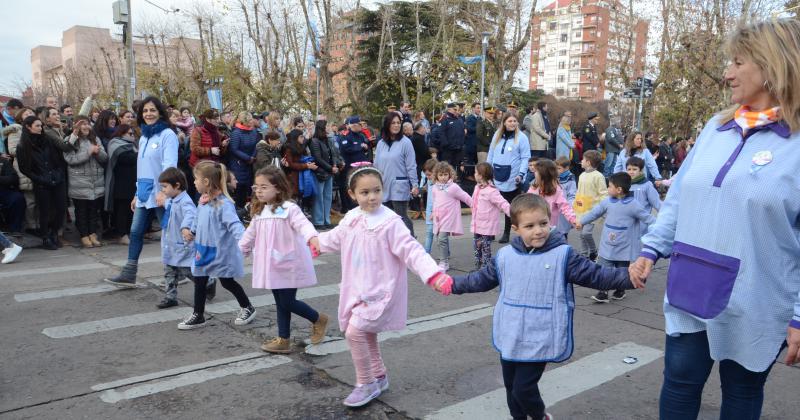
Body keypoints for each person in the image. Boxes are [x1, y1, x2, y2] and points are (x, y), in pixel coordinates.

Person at [627, 19, 800, 419]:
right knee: (679, 383)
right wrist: (651, 249)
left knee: (741, 395)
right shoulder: (716, 127)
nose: (727, 73)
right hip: (693, 285)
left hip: (757, 298)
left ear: (774, 65)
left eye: (738, 62)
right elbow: (679, 198)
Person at [434, 193, 641, 420]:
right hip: (511, 332)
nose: (538, 230)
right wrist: (452, 284)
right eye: (529, 226)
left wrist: (629, 277)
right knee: (511, 387)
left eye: (543, 223)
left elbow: (597, 276)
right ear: (516, 228)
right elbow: (480, 280)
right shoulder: (504, 256)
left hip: (540, 335)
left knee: (524, 389)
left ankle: (540, 416)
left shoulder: (564, 255)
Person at [309, 165, 447, 408]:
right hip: (357, 287)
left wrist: (433, 274)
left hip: (381, 290)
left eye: (376, 190)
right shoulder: (352, 217)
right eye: (364, 192)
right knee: (365, 333)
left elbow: (412, 250)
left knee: (355, 332)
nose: (371, 196)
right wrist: (317, 243)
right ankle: (379, 375)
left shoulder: (391, 222)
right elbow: (335, 237)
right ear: (352, 194)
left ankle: (366, 383)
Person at [239, 166, 329, 352]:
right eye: (256, 187)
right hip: (271, 265)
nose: (259, 191)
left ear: (278, 188)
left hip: (288, 263)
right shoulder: (260, 211)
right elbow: (250, 234)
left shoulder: (290, 209)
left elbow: (304, 225)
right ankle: (283, 339)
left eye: (264, 187)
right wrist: (240, 251)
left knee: (287, 301)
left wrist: (313, 239)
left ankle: (318, 318)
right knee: (280, 302)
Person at [105, 97, 178, 286]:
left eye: (152, 110)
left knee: (171, 235)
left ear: (160, 112)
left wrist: (164, 191)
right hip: (145, 194)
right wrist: (137, 194)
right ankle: (129, 273)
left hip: (161, 193)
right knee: (135, 231)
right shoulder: (144, 136)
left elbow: (170, 165)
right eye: (145, 111)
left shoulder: (167, 135)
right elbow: (143, 168)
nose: (148, 114)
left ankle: (190, 273)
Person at [178, 161, 256, 330]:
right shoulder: (203, 200)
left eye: (196, 179)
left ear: (206, 182)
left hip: (221, 252)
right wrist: (191, 231)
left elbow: (235, 226)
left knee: (227, 282)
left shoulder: (224, 204)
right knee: (200, 280)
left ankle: (247, 307)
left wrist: (246, 242)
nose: (194, 182)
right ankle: (198, 314)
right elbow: (198, 219)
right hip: (203, 249)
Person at [576, 172, 654, 303]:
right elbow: (595, 213)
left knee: (620, 270)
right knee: (603, 267)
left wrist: (659, 230)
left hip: (624, 245)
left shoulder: (633, 205)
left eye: (609, 186)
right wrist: (582, 221)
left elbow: (649, 218)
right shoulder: (607, 202)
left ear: (619, 190)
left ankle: (620, 289)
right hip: (607, 243)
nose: (607, 189)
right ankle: (603, 292)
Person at [16, 116, 68, 249]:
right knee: (45, 211)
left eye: (41, 125)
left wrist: (58, 174)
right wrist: (39, 178)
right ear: (28, 127)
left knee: (61, 209)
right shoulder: (23, 146)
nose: (40, 128)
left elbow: (59, 159)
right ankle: (45, 238)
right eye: (37, 125)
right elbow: (24, 168)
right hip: (41, 182)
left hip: (57, 179)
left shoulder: (48, 140)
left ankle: (54, 233)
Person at [486, 112, 531, 243]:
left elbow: (525, 157)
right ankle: (491, 231)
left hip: (512, 177)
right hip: (496, 175)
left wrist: (521, 174)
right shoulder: (497, 135)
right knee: (492, 205)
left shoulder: (522, 138)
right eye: (510, 121)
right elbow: (491, 153)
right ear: (504, 122)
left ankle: (506, 232)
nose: (512, 123)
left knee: (508, 206)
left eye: (515, 121)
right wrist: (487, 171)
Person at [156, 167, 196, 309]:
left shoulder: (185, 201)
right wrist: (163, 202)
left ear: (177, 185)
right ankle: (170, 297)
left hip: (181, 244)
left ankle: (208, 282)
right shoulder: (173, 200)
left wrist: (185, 227)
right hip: (170, 243)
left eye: (165, 187)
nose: (163, 190)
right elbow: (170, 206)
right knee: (169, 271)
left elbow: (191, 214)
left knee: (187, 271)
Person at [64, 116, 108, 248]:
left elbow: (105, 158)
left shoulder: (95, 139)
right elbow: (70, 159)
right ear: (76, 127)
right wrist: (88, 152)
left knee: (93, 210)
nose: (86, 127)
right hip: (79, 181)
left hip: (96, 181)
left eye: (87, 124)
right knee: (81, 211)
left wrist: (98, 152)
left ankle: (93, 234)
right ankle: (84, 235)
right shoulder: (70, 141)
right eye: (82, 124)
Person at [374, 113, 419, 235]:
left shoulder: (406, 142)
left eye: (398, 123)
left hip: (399, 185)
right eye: (393, 123)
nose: (396, 125)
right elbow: (376, 166)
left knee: (401, 217)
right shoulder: (380, 143)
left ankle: (410, 244)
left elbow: (411, 165)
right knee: (386, 220)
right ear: (387, 125)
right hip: (383, 186)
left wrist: (415, 184)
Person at [431, 161, 473, 271]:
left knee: (442, 238)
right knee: (438, 238)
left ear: (450, 174)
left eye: (445, 174)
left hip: (449, 217)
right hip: (438, 217)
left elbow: (465, 197)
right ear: (436, 175)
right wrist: (432, 213)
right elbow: (435, 201)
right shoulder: (435, 187)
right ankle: (445, 256)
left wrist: (475, 206)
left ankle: (443, 262)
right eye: (440, 175)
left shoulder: (453, 187)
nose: (443, 177)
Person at [470, 162, 510, 269]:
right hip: (477, 223)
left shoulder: (492, 191)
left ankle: (486, 267)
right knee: (476, 244)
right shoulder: (477, 187)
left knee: (485, 247)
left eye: (475, 172)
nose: (474, 174)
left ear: (481, 175)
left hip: (487, 225)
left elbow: (502, 203)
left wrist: (513, 213)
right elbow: (473, 201)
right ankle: (477, 265)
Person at [4, 107, 38, 232]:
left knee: (39, 199)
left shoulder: (39, 129)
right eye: (26, 113)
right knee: (30, 200)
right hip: (24, 167)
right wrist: (30, 147)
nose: (29, 115)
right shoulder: (15, 130)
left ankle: (40, 224)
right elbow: (12, 150)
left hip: (39, 168)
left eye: (31, 113)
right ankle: (31, 226)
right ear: (20, 117)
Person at [105, 124, 138, 245]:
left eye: (133, 133)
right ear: (121, 133)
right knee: (122, 211)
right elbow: (126, 158)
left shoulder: (132, 146)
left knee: (130, 211)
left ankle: (128, 233)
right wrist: (141, 154)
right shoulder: (115, 144)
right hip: (120, 184)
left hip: (132, 183)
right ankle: (121, 234)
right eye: (130, 133)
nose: (132, 136)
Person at [573, 150, 607, 261]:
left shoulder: (598, 176)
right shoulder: (582, 175)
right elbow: (579, 192)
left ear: (588, 162)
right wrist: (575, 206)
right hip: (581, 210)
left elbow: (603, 193)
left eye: (583, 159)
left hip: (592, 211)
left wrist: (603, 209)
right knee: (581, 234)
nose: (581, 161)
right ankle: (584, 254)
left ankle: (593, 251)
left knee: (586, 233)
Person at [308, 120, 342, 230]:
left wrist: (335, 165)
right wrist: (330, 168)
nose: (329, 127)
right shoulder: (314, 141)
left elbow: (333, 153)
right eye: (327, 125)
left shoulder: (328, 140)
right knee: (319, 197)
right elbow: (317, 158)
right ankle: (318, 221)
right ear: (322, 127)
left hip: (330, 172)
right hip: (320, 172)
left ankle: (326, 220)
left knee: (327, 197)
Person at [527, 158, 578, 230]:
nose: (534, 173)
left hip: (550, 228)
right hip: (535, 226)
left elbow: (565, 206)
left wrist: (573, 220)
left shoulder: (556, 190)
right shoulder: (534, 187)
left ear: (543, 174)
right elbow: (525, 203)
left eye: (536, 171)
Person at [228, 111, 260, 208]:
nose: (252, 122)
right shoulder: (236, 133)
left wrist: (252, 157)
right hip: (238, 164)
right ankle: (238, 209)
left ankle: (246, 209)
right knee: (239, 188)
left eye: (252, 119)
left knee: (248, 187)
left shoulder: (253, 131)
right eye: (250, 120)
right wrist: (247, 158)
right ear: (244, 121)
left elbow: (256, 145)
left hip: (250, 163)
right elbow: (234, 149)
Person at [338, 116, 370, 211]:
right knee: (349, 187)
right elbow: (346, 148)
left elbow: (365, 147)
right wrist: (360, 147)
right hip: (349, 168)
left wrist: (365, 147)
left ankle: (360, 204)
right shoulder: (346, 135)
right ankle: (349, 207)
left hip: (360, 167)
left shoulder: (361, 135)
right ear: (354, 125)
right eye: (359, 125)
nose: (361, 126)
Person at [282, 129, 318, 208]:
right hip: (293, 179)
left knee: (300, 201)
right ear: (296, 138)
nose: (303, 138)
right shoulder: (288, 149)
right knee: (294, 202)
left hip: (301, 177)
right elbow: (290, 164)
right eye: (301, 137)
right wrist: (307, 166)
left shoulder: (300, 147)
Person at [433, 103, 466, 170]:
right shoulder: (444, 118)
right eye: (455, 109)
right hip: (448, 150)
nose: (456, 111)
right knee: (447, 167)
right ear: (449, 109)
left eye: (457, 110)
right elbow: (441, 132)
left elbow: (462, 132)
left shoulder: (459, 119)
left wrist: (461, 143)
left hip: (458, 148)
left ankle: (454, 179)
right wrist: (446, 144)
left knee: (456, 167)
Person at [0, 154, 25, 236]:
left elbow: (13, 178)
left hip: (3, 190)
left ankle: (15, 229)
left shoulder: (3, 162)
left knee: (18, 198)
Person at [554, 156, 577, 241]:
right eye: (556, 168)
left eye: (559, 168)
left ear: (566, 168)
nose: (557, 171)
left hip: (564, 210)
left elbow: (572, 194)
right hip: (554, 209)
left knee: (563, 234)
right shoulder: (555, 176)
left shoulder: (570, 178)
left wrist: (569, 206)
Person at [420, 159, 438, 253]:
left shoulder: (440, 185)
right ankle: (426, 252)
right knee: (429, 232)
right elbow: (425, 188)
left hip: (439, 212)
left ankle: (445, 253)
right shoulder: (429, 182)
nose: (428, 177)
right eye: (426, 175)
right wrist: (418, 190)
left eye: (429, 175)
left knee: (440, 235)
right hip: (429, 211)